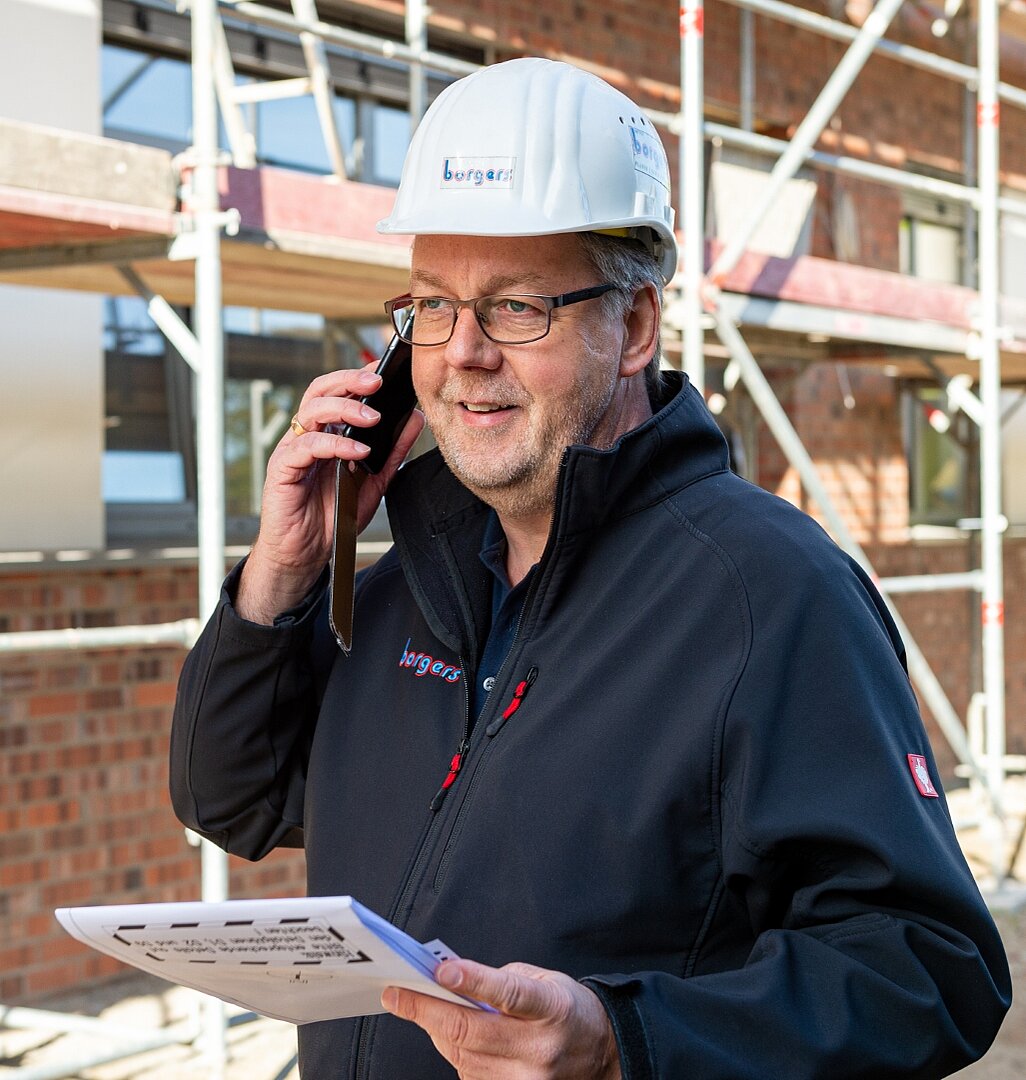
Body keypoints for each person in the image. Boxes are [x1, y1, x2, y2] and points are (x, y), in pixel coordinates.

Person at [170, 58, 1010, 1079]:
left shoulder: (770, 596)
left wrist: (627, 1042)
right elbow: (232, 799)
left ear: (636, 327)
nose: (462, 352)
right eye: (432, 307)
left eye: (517, 307)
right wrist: (280, 578)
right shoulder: (407, 583)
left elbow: (929, 971)